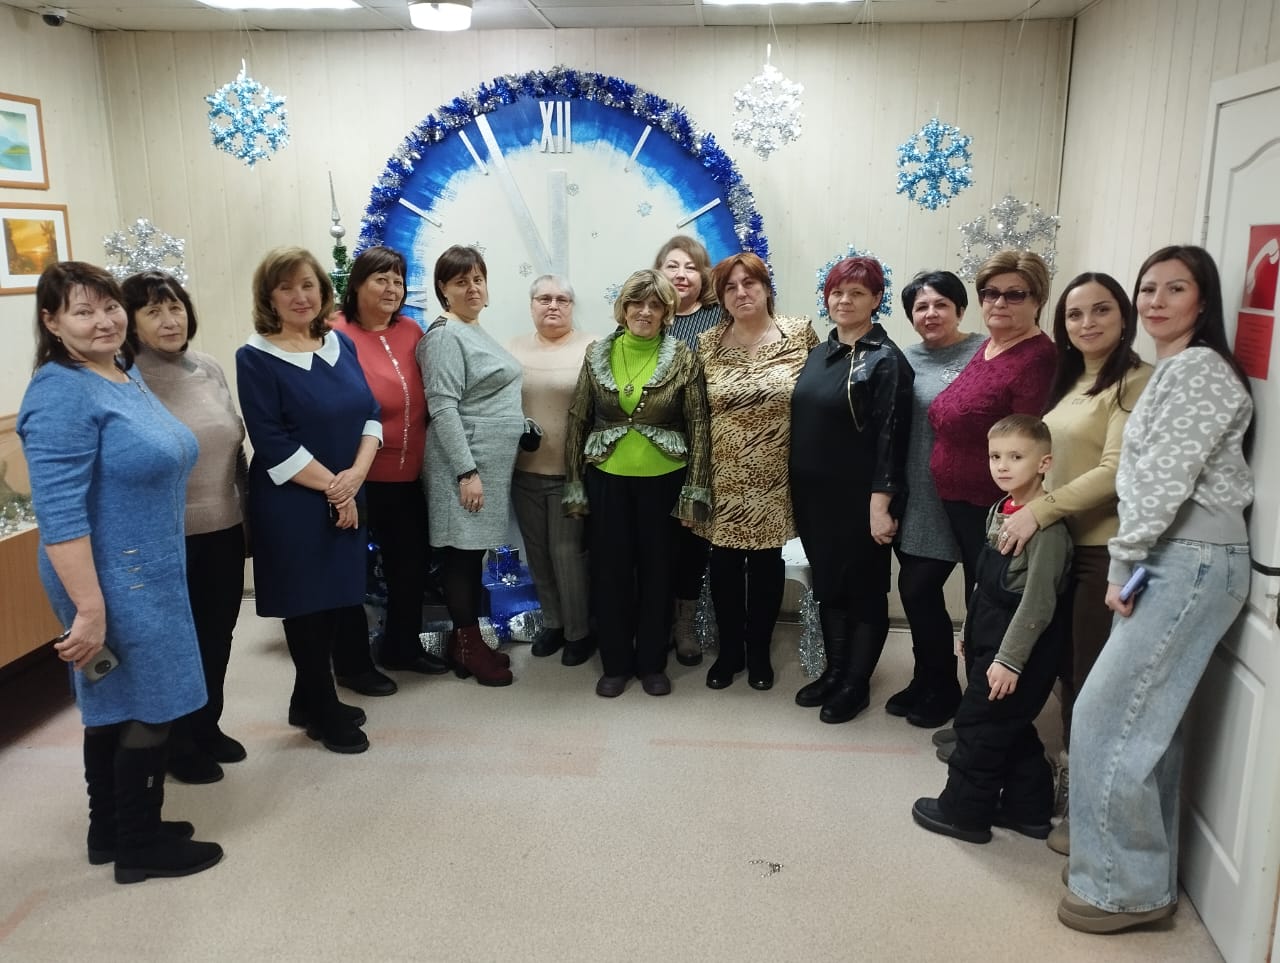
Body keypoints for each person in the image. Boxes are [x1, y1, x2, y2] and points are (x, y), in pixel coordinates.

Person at [1060, 246, 1253, 935]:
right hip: (1176, 556)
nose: (1157, 301)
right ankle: (1134, 874)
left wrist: (1122, 564)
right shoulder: (1177, 368)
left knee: (1105, 719)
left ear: (1204, 300)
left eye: (1176, 288)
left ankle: (1123, 891)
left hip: (1189, 557)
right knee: (1144, 724)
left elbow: (1163, 483)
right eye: (1148, 288)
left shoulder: (1198, 370)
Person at [17, 261, 222, 883]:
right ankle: (139, 845)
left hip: (146, 569)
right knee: (152, 703)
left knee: (115, 701)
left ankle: (109, 830)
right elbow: (59, 517)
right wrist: (89, 608)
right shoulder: (59, 393)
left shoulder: (118, 372)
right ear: (52, 322)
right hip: (108, 579)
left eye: (109, 306)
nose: (103, 321)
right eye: (83, 311)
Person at [994, 272, 1152, 853]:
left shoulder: (1135, 380)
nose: (1087, 323)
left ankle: (1085, 810)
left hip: (1099, 548)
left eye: (1101, 310)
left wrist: (1040, 511)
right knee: (1059, 668)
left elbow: (1115, 471)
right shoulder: (1071, 377)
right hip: (1056, 541)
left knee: (1089, 679)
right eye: (1075, 314)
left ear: (1123, 316)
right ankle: (1054, 778)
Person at [237, 247, 381, 754]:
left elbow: (370, 413)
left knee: (338, 600)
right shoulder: (255, 357)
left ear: (323, 290)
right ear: (268, 297)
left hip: (348, 489)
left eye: (307, 285)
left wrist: (355, 477)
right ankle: (323, 710)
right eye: (286, 287)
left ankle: (307, 700)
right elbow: (271, 440)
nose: (299, 296)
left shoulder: (340, 343)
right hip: (293, 503)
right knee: (306, 610)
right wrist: (336, 488)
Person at [911, 415, 1072, 844]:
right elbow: (983, 583)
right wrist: (970, 631)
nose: (1002, 465)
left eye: (1016, 457)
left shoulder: (1048, 530)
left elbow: (1038, 603)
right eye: (995, 456)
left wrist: (1009, 661)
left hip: (1019, 647)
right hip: (989, 631)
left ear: (1044, 463)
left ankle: (963, 813)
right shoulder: (999, 510)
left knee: (978, 725)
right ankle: (1028, 809)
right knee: (1007, 725)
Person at [123, 270, 249, 786]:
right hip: (164, 537)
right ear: (130, 322)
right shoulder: (125, 377)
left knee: (218, 635)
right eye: (153, 311)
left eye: (175, 307)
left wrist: (249, 518)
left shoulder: (209, 367)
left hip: (224, 527)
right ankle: (176, 743)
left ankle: (206, 725)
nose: (169, 320)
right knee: (177, 644)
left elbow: (236, 446)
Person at [564, 269, 711, 698]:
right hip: (606, 480)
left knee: (658, 575)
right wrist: (574, 483)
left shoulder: (683, 356)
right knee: (609, 574)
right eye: (636, 303)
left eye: (655, 305)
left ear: (667, 312)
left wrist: (695, 491)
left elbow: (698, 423)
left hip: (663, 483)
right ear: (623, 308)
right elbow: (578, 417)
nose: (644, 311)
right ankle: (615, 663)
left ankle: (651, 663)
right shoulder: (597, 353)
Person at [926, 251, 1058, 714]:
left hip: (997, 507)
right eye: (990, 293)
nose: (999, 303)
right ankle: (972, 706)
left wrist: (1019, 510)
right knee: (976, 606)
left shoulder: (1036, 358)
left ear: (1038, 300)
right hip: (962, 504)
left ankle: (987, 715)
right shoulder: (989, 347)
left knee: (990, 612)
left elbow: (1029, 444)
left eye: (1014, 294)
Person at [791, 256, 913, 723]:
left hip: (860, 500)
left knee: (863, 592)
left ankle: (855, 685)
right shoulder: (819, 354)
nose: (844, 300)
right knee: (829, 587)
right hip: (815, 499)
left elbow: (891, 439)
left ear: (877, 299)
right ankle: (835, 672)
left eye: (857, 293)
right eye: (837, 292)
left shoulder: (886, 360)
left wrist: (881, 505)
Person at [696, 253, 818, 690]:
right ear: (721, 297)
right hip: (723, 474)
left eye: (749, 283)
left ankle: (759, 651)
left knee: (766, 564)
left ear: (767, 288)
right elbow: (697, 412)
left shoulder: (799, 333)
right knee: (724, 565)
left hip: (777, 474)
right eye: (730, 287)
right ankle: (730, 652)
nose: (741, 292)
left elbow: (819, 395)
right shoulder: (708, 343)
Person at [330, 245, 449, 681]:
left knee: (410, 566)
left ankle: (402, 648)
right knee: (349, 573)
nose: (392, 288)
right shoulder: (334, 333)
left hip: (407, 475)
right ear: (357, 284)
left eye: (397, 280)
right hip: (357, 476)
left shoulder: (412, 330)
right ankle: (352, 664)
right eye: (380, 279)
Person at [418, 244, 522, 687]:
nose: (473, 288)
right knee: (460, 558)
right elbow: (443, 407)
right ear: (443, 289)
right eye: (461, 281)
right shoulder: (445, 336)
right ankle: (467, 647)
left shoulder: (473, 329)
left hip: (486, 465)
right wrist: (466, 472)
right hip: (463, 467)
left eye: (478, 279)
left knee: (471, 555)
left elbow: (486, 397)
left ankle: (469, 643)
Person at [887, 271, 984, 730]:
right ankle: (928, 677)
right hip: (917, 495)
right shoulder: (905, 359)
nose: (931, 314)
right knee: (917, 594)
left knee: (934, 591)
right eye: (921, 307)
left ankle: (955, 689)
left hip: (967, 496)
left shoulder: (983, 353)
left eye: (941, 304)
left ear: (960, 309)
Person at [508, 275, 594, 666]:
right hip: (524, 472)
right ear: (531, 305)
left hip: (570, 475)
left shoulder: (592, 348)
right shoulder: (512, 349)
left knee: (567, 555)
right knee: (538, 553)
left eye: (562, 299)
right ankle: (553, 623)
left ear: (572, 307)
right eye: (544, 298)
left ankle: (579, 632)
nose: (553, 305)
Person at [656, 235, 722, 666]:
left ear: (704, 275)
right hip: (654, 450)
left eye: (691, 267)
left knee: (692, 540)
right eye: (673, 266)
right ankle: (655, 618)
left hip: (704, 448)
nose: (682, 275)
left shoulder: (720, 319)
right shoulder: (647, 314)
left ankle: (684, 623)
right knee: (656, 540)